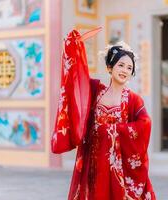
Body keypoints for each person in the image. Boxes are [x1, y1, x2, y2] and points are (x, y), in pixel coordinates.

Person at [52, 29, 156, 200]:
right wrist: (72, 47)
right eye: (121, 65)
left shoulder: (133, 99)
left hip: (118, 166)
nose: (125, 70)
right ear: (110, 67)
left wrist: (115, 130)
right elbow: (76, 79)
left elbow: (145, 124)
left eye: (129, 67)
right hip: (92, 162)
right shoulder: (95, 91)